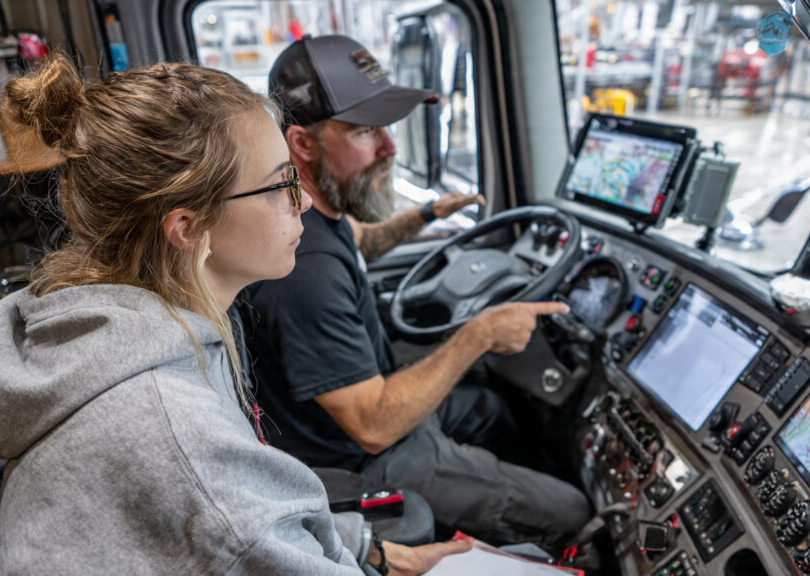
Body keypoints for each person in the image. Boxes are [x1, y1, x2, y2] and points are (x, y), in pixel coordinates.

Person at [0, 54, 469, 575]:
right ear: (189, 228)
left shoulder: (132, 324)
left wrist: (362, 547)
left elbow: (240, 514)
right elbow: (223, 512)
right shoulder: (172, 429)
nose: (303, 203)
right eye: (282, 183)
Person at [241, 35, 591, 548]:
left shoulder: (317, 209)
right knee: (573, 511)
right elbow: (374, 427)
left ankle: (494, 492)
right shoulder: (306, 269)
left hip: (366, 414)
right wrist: (479, 334)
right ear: (303, 144)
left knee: (490, 408)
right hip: (361, 460)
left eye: (387, 127)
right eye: (364, 131)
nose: (390, 147)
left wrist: (427, 215)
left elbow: (363, 242)